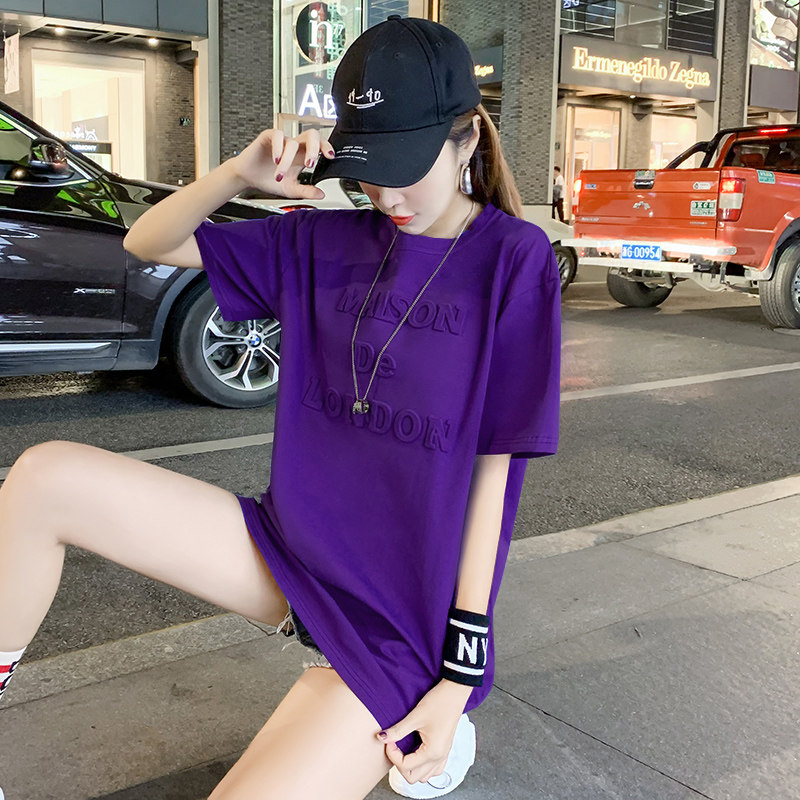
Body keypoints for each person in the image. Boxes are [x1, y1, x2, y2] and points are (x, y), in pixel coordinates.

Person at [0, 16, 560, 800]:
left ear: (466, 140)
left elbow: (493, 481)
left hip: (399, 619)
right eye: (370, 169)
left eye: (406, 167)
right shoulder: (322, 242)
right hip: (287, 553)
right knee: (43, 479)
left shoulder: (513, 259)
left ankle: (410, 717)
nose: (387, 194)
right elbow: (147, 242)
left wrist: (457, 679)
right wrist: (238, 172)